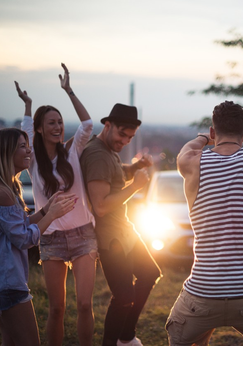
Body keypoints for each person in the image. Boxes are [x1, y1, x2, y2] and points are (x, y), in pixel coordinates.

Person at [166, 101, 243, 346]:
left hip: (203, 292)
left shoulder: (191, 162)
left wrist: (202, 138)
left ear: (212, 133)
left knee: (179, 339)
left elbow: (185, 151)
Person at [0, 128, 76, 346]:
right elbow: (24, 239)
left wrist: (45, 211)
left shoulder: (5, 186)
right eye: (22, 146)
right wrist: (52, 216)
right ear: (6, 152)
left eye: (28, 145)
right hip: (5, 283)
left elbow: (19, 226)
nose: (28, 150)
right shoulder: (0, 191)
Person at [15, 63, 98, 346]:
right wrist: (28, 104)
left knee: (85, 305)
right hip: (50, 238)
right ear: (39, 128)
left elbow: (87, 125)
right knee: (57, 309)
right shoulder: (33, 159)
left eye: (60, 122)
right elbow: (24, 129)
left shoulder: (71, 151)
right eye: (51, 122)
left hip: (84, 235)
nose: (58, 127)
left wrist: (69, 91)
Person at [80, 103, 162, 346]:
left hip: (125, 231)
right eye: (121, 134)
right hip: (110, 238)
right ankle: (114, 342)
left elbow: (116, 174)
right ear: (108, 125)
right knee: (124, 297)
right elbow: (101, 206)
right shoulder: (96, 155)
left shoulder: (108, 150)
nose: (125, 141)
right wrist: (135, 186)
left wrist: (135, 167)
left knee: (150, 274)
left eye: (130, 137)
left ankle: (125, 337)